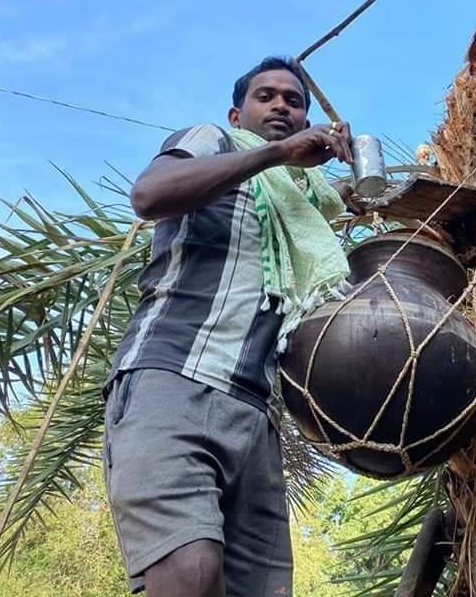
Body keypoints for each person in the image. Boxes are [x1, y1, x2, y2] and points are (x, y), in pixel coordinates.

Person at [102, 56, 356, 597]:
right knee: (190, 574)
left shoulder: (305, 201)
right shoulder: (212, 140)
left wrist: (353, 178)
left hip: (256, 415)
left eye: (294, 100)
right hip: (174, 380)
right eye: (267, 96)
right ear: (237, 113)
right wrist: (277, 154)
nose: (282, 105)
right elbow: (150, 195)